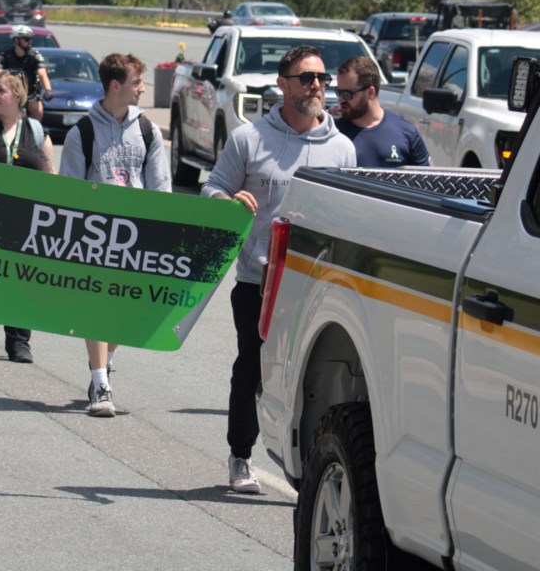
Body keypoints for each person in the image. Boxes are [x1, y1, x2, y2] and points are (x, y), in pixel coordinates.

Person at [200, 45, 356, 494]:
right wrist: (227, 200)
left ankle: (312, 461)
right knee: (253, 368)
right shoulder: (249, 139)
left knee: (314, 375)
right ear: (283, 83)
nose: (318, 87)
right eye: (307, 78)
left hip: (316, 290)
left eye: (323, 79)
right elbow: (212, 187)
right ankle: (240, 455)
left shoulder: (342, 148)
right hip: (260, 282)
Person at [59, 53, 171, 417]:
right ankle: (101, 385)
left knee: (128, 316)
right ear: (115, 86)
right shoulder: (83, 132)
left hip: (137, 240)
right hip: (94, 237)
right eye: (137, 82)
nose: (142, 89)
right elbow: (70, 193)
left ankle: (101, 367)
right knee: (98, 310)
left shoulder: (149, 130)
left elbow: (161, 190)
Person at [0, 69, 54, 363]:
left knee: (22, 283)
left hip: (27, 223)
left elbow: (50, 176)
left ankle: (19, 341)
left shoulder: (35, 132)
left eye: (1, 91)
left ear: (18, 97)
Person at [335, 55, 431, 168]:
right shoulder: (334, 133)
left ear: (370, 93)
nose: (341, 99)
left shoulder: (406, 132)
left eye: (347, 94)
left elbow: (427, 180)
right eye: (338, 92)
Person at [0, 25, 53, 120]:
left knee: (38, 110)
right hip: (11, 93)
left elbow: (42, 73)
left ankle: (37, 132)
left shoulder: (35, 56)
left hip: (30, 93)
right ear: (16, 40)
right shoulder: (6, 56)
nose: (30, 42)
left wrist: (48, 90)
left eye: (30, 39)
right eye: (26, 39)